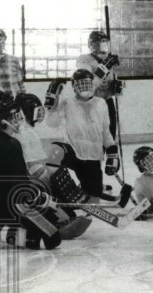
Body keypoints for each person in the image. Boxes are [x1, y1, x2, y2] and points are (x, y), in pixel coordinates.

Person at [0, 94, 63, 250]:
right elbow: (20, 184)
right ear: (3, 121)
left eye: (18, 115)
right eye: (14, 117)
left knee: (44, 233)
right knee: (52, 239)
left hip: (5, 202)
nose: (19, 120)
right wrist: (42, 198)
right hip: (13, 204)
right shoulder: (11, 145)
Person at [43, 68, 119, 198]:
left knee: (93, 195)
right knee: (54, 151)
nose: (84, 87)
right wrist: (52, 104)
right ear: (74, 86)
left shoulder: (101, 103)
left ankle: (87, 191)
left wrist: (112, 153)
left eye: (87, 83)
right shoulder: (68, 103)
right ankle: (54, 191)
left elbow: (106, 131)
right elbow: (52, 123)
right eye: (80, 84)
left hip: (92, 157)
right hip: (72, 153)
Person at [76, 30, 124, 138]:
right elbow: (88, 81)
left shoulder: (109, 59)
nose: (102, 45)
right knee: (95, 135)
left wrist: (115, 86)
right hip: (92, 102)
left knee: (110, 134)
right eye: (98, 42)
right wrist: (105, 66)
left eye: (104, 42)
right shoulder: (84, 59)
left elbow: (109, 80)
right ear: (91, 44)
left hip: (107, 101)